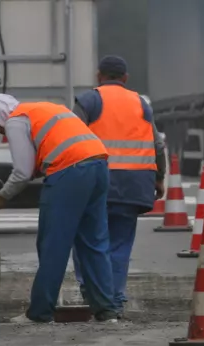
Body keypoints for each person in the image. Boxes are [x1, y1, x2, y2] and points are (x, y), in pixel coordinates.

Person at [0, 93, 121, 324]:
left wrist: (1, 198)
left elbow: (22, 172)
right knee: (93, 243)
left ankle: (40, 313)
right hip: (98, 166)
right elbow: (45, 153)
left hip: (69, 173)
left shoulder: (15, 120)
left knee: (53, 244)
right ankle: (106, 311)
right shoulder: (43, 108)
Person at [70, 55, 167, 315]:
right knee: (120, 243)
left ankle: (90, 289)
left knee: (88, 239)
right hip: (135, 184)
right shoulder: (142, 103)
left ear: (98, 75)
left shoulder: (89, 100)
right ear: (125, 78)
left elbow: (69, 137)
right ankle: (115, 294)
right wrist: (159, 177)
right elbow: (157, 144)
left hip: (95, 183)